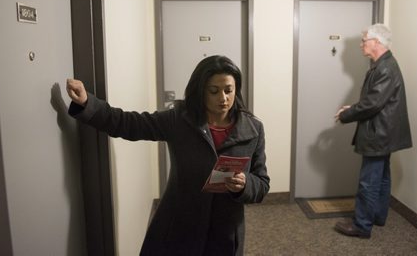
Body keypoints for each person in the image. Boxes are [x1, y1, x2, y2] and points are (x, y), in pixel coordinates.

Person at [66, 55, 270, 255]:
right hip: (181, 223)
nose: (223, 98)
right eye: (214, 91)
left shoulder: (253, 129)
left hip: (225, 231)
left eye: (229, 90)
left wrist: (245, 185)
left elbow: (261, 182)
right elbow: (129, 124)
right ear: (201, 91)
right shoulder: (180, 120)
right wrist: (87, 103)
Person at [334, 24, 412, 239]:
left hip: (379, 133)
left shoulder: (385, 67)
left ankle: (361, 225)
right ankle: (377, 216)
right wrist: (353, 108)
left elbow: (372, 104)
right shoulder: (383, 65)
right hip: (385, 131)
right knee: (382, 176)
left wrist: (346, 115)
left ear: (377, 42)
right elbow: (376, 100)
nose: (361, 45)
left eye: (364, 41)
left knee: (369, 180)